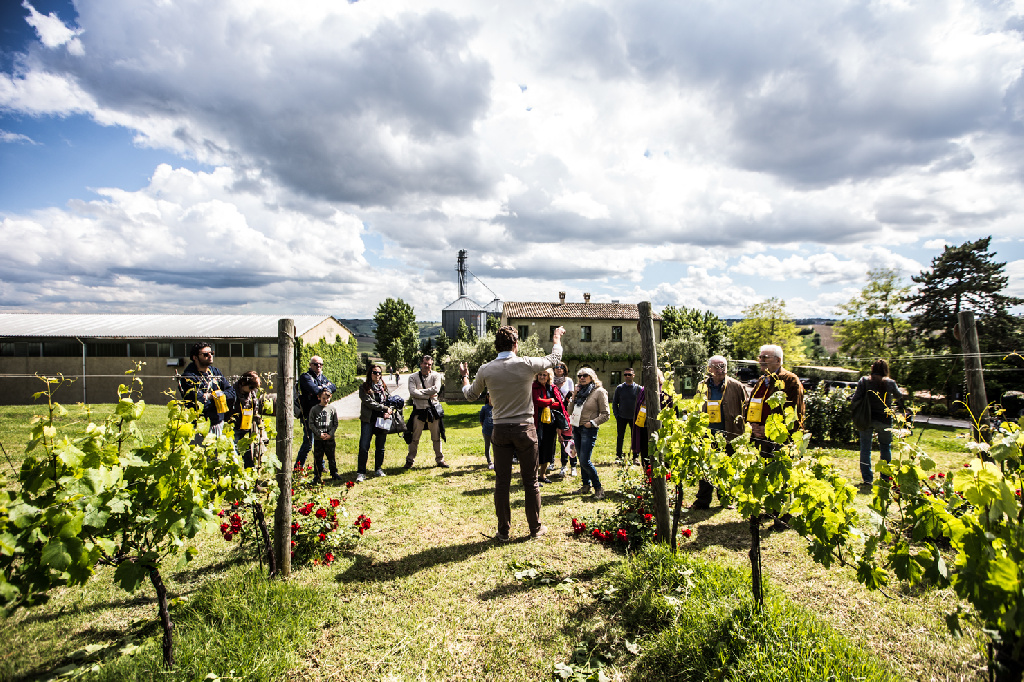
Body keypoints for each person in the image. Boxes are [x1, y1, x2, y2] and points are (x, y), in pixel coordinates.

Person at [460, 325, 565, 541]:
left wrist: (464, 378)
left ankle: (503, 532)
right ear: (516, 345)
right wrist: (556, 337)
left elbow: (470, 395)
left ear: (496, 346)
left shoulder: (486, 369)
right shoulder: (525, 364)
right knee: (531, 481)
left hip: (500, 430)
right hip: (525, 429)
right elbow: (555, 358)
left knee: (502, 483)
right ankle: (535, 529)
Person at [692, 356, 748, 509]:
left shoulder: (736, 386)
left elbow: (746, 408)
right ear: (709, 369)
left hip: (729, 434)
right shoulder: (702, 386)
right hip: (707, 435)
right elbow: (697, 406)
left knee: (726, 469)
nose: (720, 369)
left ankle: (726, 500)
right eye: (716, 366)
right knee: (705, 469)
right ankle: (703, 501)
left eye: (723, 366)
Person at [851, 359, 907, 485]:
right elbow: (899, 396)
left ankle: (867, 479)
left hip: (867, 418)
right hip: (885, 419)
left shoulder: (864, 381)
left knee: (865, 448)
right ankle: (885, 477)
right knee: (885, 448)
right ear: (885, 370)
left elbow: (855, 399)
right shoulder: (890, 383)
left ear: (872, 368)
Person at [744, 344, 805, 456]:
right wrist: (752, 426)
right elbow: (750, 406)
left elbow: (796, 414)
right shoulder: (761, 381)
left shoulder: (790, 380)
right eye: (760, 357)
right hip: (759, 441)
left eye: (765, 357)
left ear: (778, 360)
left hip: (779, 443)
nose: (761, 360)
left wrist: (768, 429)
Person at [178, 341, 234, 443]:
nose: (210, 356)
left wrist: (212, 396)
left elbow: (232, 394)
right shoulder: (188, 377)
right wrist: (219, 399)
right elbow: (198, 403)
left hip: (219, 423)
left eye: (211, 353)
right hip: (200, 426)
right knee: (202, 456)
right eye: (205, 354)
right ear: (195, 357)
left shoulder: (215, 372)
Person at [570, 367, 610, 499]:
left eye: (585, 375)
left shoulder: (599, 392)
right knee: (581, 460)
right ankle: (586, 486)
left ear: (592, 377)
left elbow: (606, 414)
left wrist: (592, 423)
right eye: (579, 375)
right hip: (577, 428)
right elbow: (569, 410)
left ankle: (598, 488)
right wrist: (574, 395)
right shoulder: (579, 392)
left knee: (584, 460)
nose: (581, 377)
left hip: (588, 429)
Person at [406, 355, 449, 469]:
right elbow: (412, 392)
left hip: (433, 410)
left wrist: (421, 392)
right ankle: (410, 460)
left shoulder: (436, 375)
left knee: (436, 437)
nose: (427, 366)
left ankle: (440, 459)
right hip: (419, 411)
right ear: (420, 364)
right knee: (414, 438)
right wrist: (428, 395)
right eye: (425, 363)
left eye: (429, 364)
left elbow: (436, 389)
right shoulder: (413, 377)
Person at [297, 356, 336, 469]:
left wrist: (321, 388)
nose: (318, 366)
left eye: (320, 364)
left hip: (322, 414)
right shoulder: (305, 377)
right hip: (309, 414)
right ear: (310, 365)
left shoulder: (322, 377)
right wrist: (324, 387)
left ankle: (320, 466)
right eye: (315, 364)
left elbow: (333, 387)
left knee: (321, 441)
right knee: (309, 442)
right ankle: (298, 467)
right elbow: (315, 390)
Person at [532, 368, 568, 486]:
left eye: (545, 375)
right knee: (536, 449)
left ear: (549, 377)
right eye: (540, 374)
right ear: (537, 376)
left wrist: (547, 402)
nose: (542, 377)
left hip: (550, 423)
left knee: (548, 448)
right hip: (536, 422)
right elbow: (537, 401)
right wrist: (550, 401)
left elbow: (559, 404)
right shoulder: (533, 387)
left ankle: (542, 475)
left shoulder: (552, 388)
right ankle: (533, 478)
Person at [358, 364, 393, 482]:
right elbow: (369, 402)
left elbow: (389, 400)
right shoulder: (364, 387)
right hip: (368, 420)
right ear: (370, 373)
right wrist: (384, 408)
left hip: (382, 420)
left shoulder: (383, 386)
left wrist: (389, 410)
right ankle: (361, 472)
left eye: (379, 373)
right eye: (374, 372)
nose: (377, 375)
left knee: (380, 446)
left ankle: (378, 468)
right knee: (364, 446)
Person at [229, 370, 266, 469]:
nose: (252, 390)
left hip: (247, 428)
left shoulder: (252, 395)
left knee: (249, 456)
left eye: (254, 388)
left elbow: (255, 409)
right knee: (234, 456)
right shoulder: (232, 392)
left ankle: (251, 478)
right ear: (243, 383)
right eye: (251, 387)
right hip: (235, 428)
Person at [308, 387, 340, 484]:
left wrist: (330, 434)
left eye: (328, 398)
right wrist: (319, 433)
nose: (326, 400)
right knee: (318, 458)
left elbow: (335, 423)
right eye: (323, 398)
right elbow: (311, 423)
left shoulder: (332, 409)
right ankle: (317, 475)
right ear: (319, 398)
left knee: (331, 457)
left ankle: (334, 473)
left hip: (329, 439)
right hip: (319, 439)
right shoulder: (314, 409)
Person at [612, 369, 642, 461]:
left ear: (633, 375)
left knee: (635, 437)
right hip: (622, 416)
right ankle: (619, 455)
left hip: (635, 418)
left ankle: (635, 456)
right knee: (620, 436)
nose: (627, 376)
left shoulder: (638, 388)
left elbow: (642, 403)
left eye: (629, 374)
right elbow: (614, 403)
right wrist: (617, 415)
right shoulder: (620, 388)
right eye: (625, 375)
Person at [552, 362, 575, 476]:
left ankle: (569, 464)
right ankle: (551, 461)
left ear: (564, 369)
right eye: (556, 367)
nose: (559, 369)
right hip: (553, 409)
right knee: (552, 435)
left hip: (566, 410)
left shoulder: (569, 380)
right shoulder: (550, 380)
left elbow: (572, 395)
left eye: (561, 367)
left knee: (566, 437)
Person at [479, 393, 494, 470]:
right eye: (491, 397)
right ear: (488, 398)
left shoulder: (497, 408)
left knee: (496, 447)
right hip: (487, 431)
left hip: (496, 432)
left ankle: (498, 461)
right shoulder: (484, 408)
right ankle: (489, 461)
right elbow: (481, 420)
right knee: (487, 446)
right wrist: (485, 427)